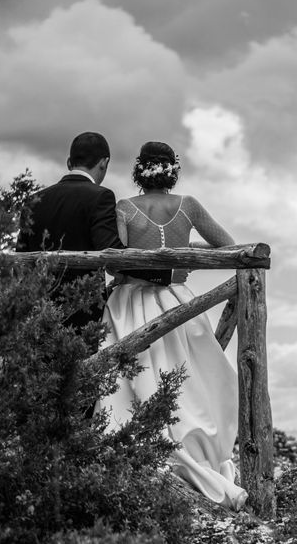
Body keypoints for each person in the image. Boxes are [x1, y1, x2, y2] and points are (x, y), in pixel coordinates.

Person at [96, 141, 247, 510]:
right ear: (171, 170)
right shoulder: (190, 206)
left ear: (139, 171)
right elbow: (228, 246)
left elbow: (117, 264)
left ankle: (137, 455)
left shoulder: (125, 209)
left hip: (132, 302)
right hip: (177, 301)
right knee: (188, 377)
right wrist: (186, 253)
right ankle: (196, 449)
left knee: (132, 377)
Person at [17, 131, 125, 329]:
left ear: (69, 162)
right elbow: (112, 251)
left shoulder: (33, 200)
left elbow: (21, 257)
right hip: (82, 310)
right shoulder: (101, 197)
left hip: (37, 310)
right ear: (104, 163)